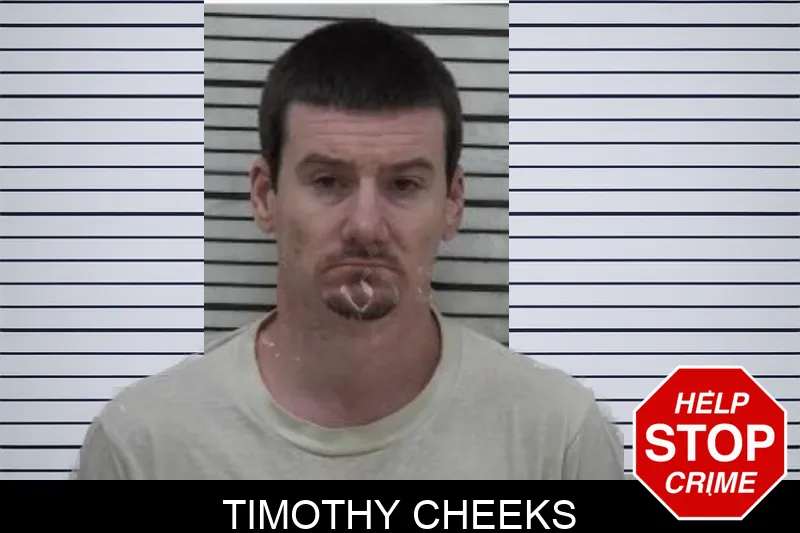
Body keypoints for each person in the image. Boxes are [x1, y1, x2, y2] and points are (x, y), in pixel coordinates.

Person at [71, 18, 624, 480]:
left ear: (453, 202)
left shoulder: (557, 440)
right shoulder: (143, 447)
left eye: (404, 184)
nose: (365, 226)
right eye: (327, 182)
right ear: (264, 196)